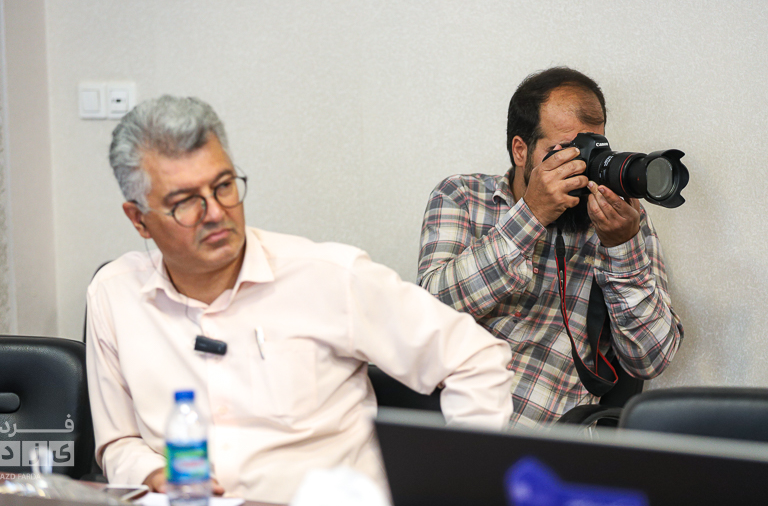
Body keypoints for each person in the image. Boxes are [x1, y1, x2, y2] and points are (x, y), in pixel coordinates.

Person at [86, 95, 515, 503]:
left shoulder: (329, 277)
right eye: (185, 202)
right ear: (139, 219)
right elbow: (118, 441)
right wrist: (151, 473)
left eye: (223, 186)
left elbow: (475, 359)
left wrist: (455, 489)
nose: (215, 212)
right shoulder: (114, 294)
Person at [417, 67, 683, 429]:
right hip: (450, 426)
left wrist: (622, 250)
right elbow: (426, 314)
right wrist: (530, 216)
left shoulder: (621, 219)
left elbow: (651, 359)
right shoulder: (462, 197)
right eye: (565, 152)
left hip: (549, 439)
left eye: (592, 148)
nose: (580, 165)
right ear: (520, 150)